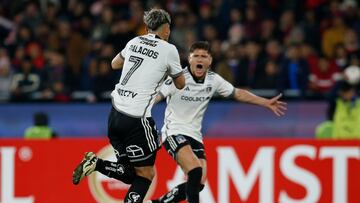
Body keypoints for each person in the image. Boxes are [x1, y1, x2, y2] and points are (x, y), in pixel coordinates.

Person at [147, 41, 287, 203]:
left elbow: (237, 93)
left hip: (195, 136)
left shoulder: (213, 80)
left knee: (198, 183)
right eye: (196, 56)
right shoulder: (177, 79)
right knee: (195, 170)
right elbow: (156, 97)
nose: (200, 59)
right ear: (190, 60)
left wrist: (265, 102)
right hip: (173, 132)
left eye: (204, 56)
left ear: (210, 60)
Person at [72, 8, 185, 203]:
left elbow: (114, 64)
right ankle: (97, 165)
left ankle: (96, 164)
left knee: (129, 173)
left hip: (115, 115)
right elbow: (181, 84)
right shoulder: (169, 50)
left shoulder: (134, 41)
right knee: (146, 174)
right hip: (136, 121)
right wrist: (164, 72)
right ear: (165, 28)